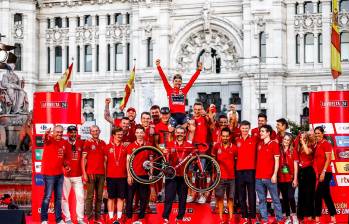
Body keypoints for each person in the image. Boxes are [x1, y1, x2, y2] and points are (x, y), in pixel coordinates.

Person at [162, 125, 196, 224]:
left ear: (185, 134)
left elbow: (193, 160)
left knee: (183, 199)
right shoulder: (169, 143)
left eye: (182, 133)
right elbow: (165, 159)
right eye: (178, 132)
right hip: (171, 176)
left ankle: (180, 219)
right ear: (175, 133)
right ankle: (165, 218)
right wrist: (164, 153)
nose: (180, 134)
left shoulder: (189, 145)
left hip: (183, 176)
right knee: (169, 198)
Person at [156, 59, 202, 127]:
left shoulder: (184, 91)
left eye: (179, 81)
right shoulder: (169, 90)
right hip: (173, 115)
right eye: (176, 81)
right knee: (171, 129)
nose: (178, 82)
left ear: (181, 82)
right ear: (173, 82)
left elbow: (191, 81)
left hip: (183, 115)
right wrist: (158, 66)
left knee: (191, 125)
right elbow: (164, 79)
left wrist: (198, 70)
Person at [255, 125, 283, 224]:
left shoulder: (274, 144)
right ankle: (265, 220)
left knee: (275, 199)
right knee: (262, 200)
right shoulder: (259, 144)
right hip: (258, 177)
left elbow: (277, 161)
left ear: (268, 133)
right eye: (260, 131)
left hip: (270, 177)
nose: (260, 133)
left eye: (263, 131)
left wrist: (274, 174)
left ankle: (279, 219)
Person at [40, 125, 69, 224]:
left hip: (59, 174)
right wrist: (46, 133)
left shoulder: (64, 142)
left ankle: (59, 219)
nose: (59, 134)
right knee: (47, 197)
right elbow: (44, 139)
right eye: (57, 132)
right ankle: (44, 219)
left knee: (58, 198)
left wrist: (66, 165)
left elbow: (64, 157)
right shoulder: (49, 139)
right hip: (48, 174)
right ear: (53, 132)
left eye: (61, 132)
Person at [126, 125, 151, 224]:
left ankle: (141, 219)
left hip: (144, 176)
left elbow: (151, 161)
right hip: (133, 175)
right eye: (138, 132)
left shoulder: (148, 145)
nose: (140, 134)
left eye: (141, 132)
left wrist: (151, 174)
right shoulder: (131, 146)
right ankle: (128, 219)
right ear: (135, 134)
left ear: (144, 134)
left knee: (144, 198)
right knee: (129, 198)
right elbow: (128, 161)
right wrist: (129, 175)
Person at [212, 127, 237, 224]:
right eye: (223, 136)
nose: (225, 138)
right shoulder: (216, 146)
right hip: (220, 177)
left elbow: (236, 161)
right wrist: (214, 174)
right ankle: (221, 219)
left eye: (227, 136)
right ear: (220, 136)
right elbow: (213, 162)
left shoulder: (234, 147)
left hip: (231, 177)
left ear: (229, 136)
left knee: (231, 198)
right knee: (220, 198)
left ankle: (231, 219)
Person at [82, 125, 106, 224]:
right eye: (93, 131)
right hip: (91, 173)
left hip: (101, 174)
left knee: (99, 197)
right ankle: (89, 218)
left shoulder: (103, 143)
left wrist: (106, 174)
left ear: (99, 131)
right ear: (90, 132)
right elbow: (83, 159)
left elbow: (105, 160)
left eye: (96, 130)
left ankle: (97, 218)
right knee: (90, 197)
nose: (95, 132)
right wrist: (84, 173)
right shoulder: (87, 143)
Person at [235, 120, 258, 224]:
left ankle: (252, 216)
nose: (244, 130)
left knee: (251, 194)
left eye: (246, 128)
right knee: (241, 195)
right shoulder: (236, 140)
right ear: (240, 128)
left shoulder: (254, 139)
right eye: (243, 128)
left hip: (251, 170)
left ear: (249, 129)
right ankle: (244, 216)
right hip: (239, 171)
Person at [62, 126, 86, 224]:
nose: (73, 134)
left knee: (80, 197)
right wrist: (65, 165)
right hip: (66, 176)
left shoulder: (81, 143)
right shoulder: (63, 143)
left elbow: (85, 158)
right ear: (67, 133)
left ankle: (80, 218)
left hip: (78, 176)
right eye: (71, 132)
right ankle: (68, 218)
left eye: (75, 132)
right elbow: (59, 157)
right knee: (65, 198)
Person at [104, 127, 128, 224]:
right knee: (111, 198)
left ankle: (118, 218)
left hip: (122, 177)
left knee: (121, 198)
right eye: (118, 134)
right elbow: (105, 163)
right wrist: (105, 177)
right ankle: (110, 218)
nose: (120, 136)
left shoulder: (125, 147)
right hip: (110, 177)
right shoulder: (107, 147)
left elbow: (127, 162)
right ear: (113, 135)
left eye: (121, 134)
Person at [313, 126, 336, 224]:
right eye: (316, 133)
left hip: (326, 173)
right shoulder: (317, 144)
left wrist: (323, 172)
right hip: (319, 173)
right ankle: (333, 217)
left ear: (322, 133)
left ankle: (317, 218)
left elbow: (328, 159)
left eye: (319, 133)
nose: (317, 135)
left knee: (318, 195)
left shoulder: (326, 144)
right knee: (326, 196)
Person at [277, 134, 299, 224]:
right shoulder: (279, 150)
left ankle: (294, 215)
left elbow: (295, 166)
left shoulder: (293, 151)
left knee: (290, 197)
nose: (285, 141)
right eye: (284, 139)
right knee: (285, 198)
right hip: (281, 178)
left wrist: (295, 179)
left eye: (288, 140)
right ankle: (288, 216)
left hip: (290, 178)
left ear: (290, 142)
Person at [297, 132, 316, 222]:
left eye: (304, 138)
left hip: (309, 172)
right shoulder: (298, 147)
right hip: (301, 172)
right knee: (301, 194)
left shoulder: (310, 146)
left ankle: (310, 214)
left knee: (309, 194)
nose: (302, 139)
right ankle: (301, 214)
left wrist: (303, 141)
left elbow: (307, 152)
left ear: (307, 139)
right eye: (301, 138)